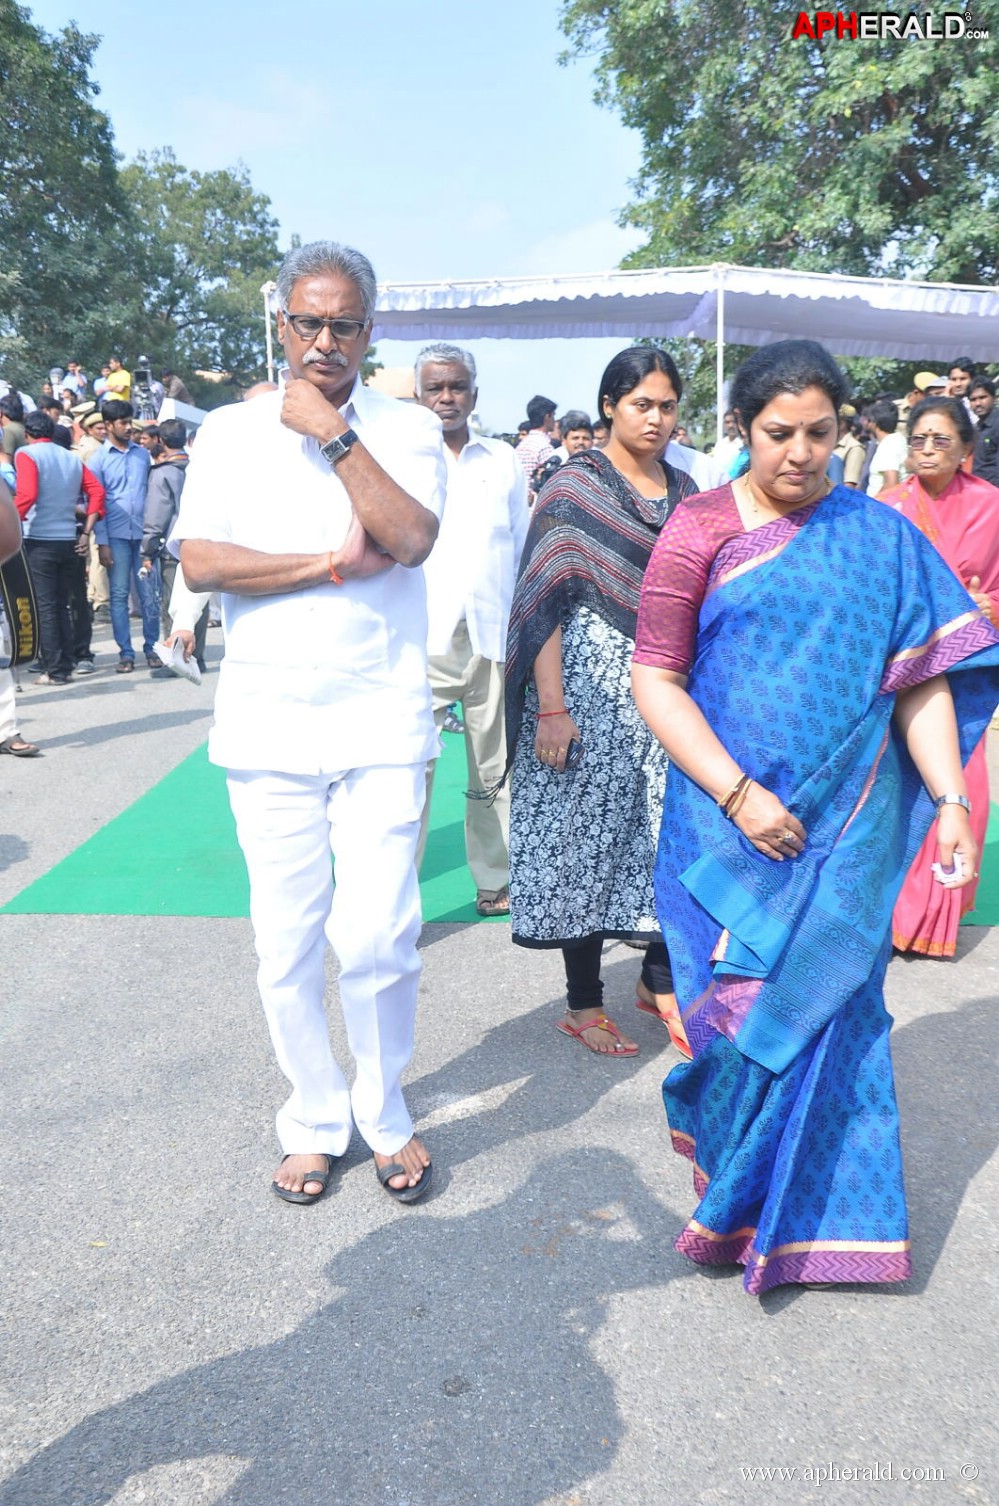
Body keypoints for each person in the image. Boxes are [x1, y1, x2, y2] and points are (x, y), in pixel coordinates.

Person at [631, 339, 999, 1294]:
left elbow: (920, 684)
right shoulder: (698, 530)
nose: (799, 452)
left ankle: (821, 1225)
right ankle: (731, 1207)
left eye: (820, 432)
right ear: (742, 431)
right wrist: (738, 794)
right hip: (722, 826)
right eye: (777, 433)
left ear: (846, 429)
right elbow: (655, 678)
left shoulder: (879, 538)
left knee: (837, 1013)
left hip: (845, 835)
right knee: (737, 1018)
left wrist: (952, 801)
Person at [173, 239, 445, 1205]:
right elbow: (202, 562)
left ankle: (384, 1111)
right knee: (284, 940)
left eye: (344, 325)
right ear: (280, 323)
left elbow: (408, 538)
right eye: (307, 322)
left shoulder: (405, 429)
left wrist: (332, 435)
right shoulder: (227, 433)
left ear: (371, 334)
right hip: (268, 721)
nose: (324, 341)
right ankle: (314, 1116)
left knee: (379, 936)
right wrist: (323, 564)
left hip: (380, 718)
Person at [505, 346, 698, 1060]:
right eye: (641, 403)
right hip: (583, 695)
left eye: (667, 405)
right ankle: (583, 1004)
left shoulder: (683, 491)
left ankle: (657, 981)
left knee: (663, 832)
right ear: (611, 404)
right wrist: (551, 706)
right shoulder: (572, 488)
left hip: (664, 692)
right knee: (581, 842)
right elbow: (542, 603)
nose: (655, 418)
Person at [879, 396, 999, 956]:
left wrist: (989, 607)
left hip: (968, 667)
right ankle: (896, 911)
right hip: (904, 665)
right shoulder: (886, 507)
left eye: (941, 440)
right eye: (918, 439)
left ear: (966, 451)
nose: (926, 450)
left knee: (961, 782)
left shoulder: (991, 506)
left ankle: (935, 921)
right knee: (899, 786)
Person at [414, 342, 530, 916]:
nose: (445, 397)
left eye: (456, 387)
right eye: (434, 387)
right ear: (418, 394)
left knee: (493, 765)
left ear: (474, 395)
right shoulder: (400, 456)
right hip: (421, 636)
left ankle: (495, 877)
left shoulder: (502, 459)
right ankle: (395, 890)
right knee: (410, 766)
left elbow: (521, 546)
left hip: (491, 632)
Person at [13, 410, 104, 685]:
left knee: (46, 607)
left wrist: (9, 520)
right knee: (62, 605)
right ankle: (65, 664)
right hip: (68, 540)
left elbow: (27, 495)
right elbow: (97, 492)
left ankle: (55, 670)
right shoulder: (71, 458)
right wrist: (86, 530)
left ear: (28, 434)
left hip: (39, 540)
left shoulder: (26, 454)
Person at [88, 400, 160, 672]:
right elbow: (96, 502)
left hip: (143, 538)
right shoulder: (98, 460)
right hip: (115, 538)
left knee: (149, 595)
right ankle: (126, 654)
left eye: (130, 422)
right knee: (119, 596)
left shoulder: (142, 455)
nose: (130, 428)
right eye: (123, 423)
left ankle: (152, 648)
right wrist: (102, 542)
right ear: (108, 426)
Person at [140, 419, 206, 670]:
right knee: (198, 597)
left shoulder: (162, 473)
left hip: (173, 545)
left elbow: (157, 516)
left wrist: (147, 549)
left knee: (174, 604)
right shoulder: (198, 467)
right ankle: (197, 656)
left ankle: (177, 661)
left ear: (161, 441)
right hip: (201, 542)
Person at [864, 396, 906, 497]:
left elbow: (891, 484)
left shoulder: (889, 445)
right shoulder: (897, 440)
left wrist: (871, 507)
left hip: (881, 509)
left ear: (873, 423)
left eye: (867, 420)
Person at [516, 395, 557, 486]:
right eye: (553, 415)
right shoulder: (545, 447)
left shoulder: (522, 445)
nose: (554, 420)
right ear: (548, 416)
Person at [970, 376, 999, 487]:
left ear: (994, 398)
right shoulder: (977, 427)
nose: (978, 403)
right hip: (980, 491)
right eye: (973, 399)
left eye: (982, 397)